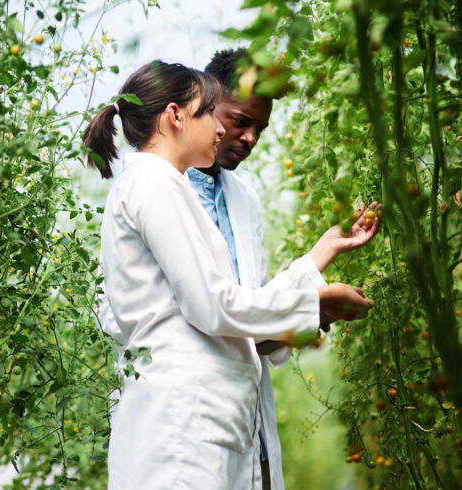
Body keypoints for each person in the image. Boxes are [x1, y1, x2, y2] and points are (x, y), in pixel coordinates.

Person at [83, 60, 375, 489]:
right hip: (183, 421)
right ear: (175, 116)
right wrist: (316, 303)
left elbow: (230, 306)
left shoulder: (167, 186)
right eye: (210, 113)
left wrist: (318, 261)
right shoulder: (154, 185)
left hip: (209, 420)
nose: (222, 131)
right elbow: (214, 306)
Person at [185, 48, 381, 489]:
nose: (251, 138)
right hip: (192, 426)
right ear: (205, 106)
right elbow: (213, 317)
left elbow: (251, 322)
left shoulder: (244, 200)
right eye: (240, 120)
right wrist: (310, 305)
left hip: (250, 429)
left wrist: (324, 254)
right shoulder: (167, 192)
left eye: (260, 128)